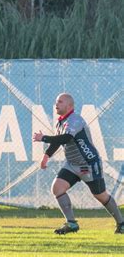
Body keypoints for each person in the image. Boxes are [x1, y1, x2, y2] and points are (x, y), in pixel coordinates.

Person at [33, 93, 124, 235]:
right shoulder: (61, 122)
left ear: (69, 106)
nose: (56, 104)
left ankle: (121, 223)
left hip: (88, 164)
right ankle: (71, 223)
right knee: (57, 188)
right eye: (56, 102)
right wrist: (46, 156)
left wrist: (43, 138)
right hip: (72, 164)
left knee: (101, 195)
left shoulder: (75, 120)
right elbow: (58, 140)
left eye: (60, 102)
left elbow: (66, 137)